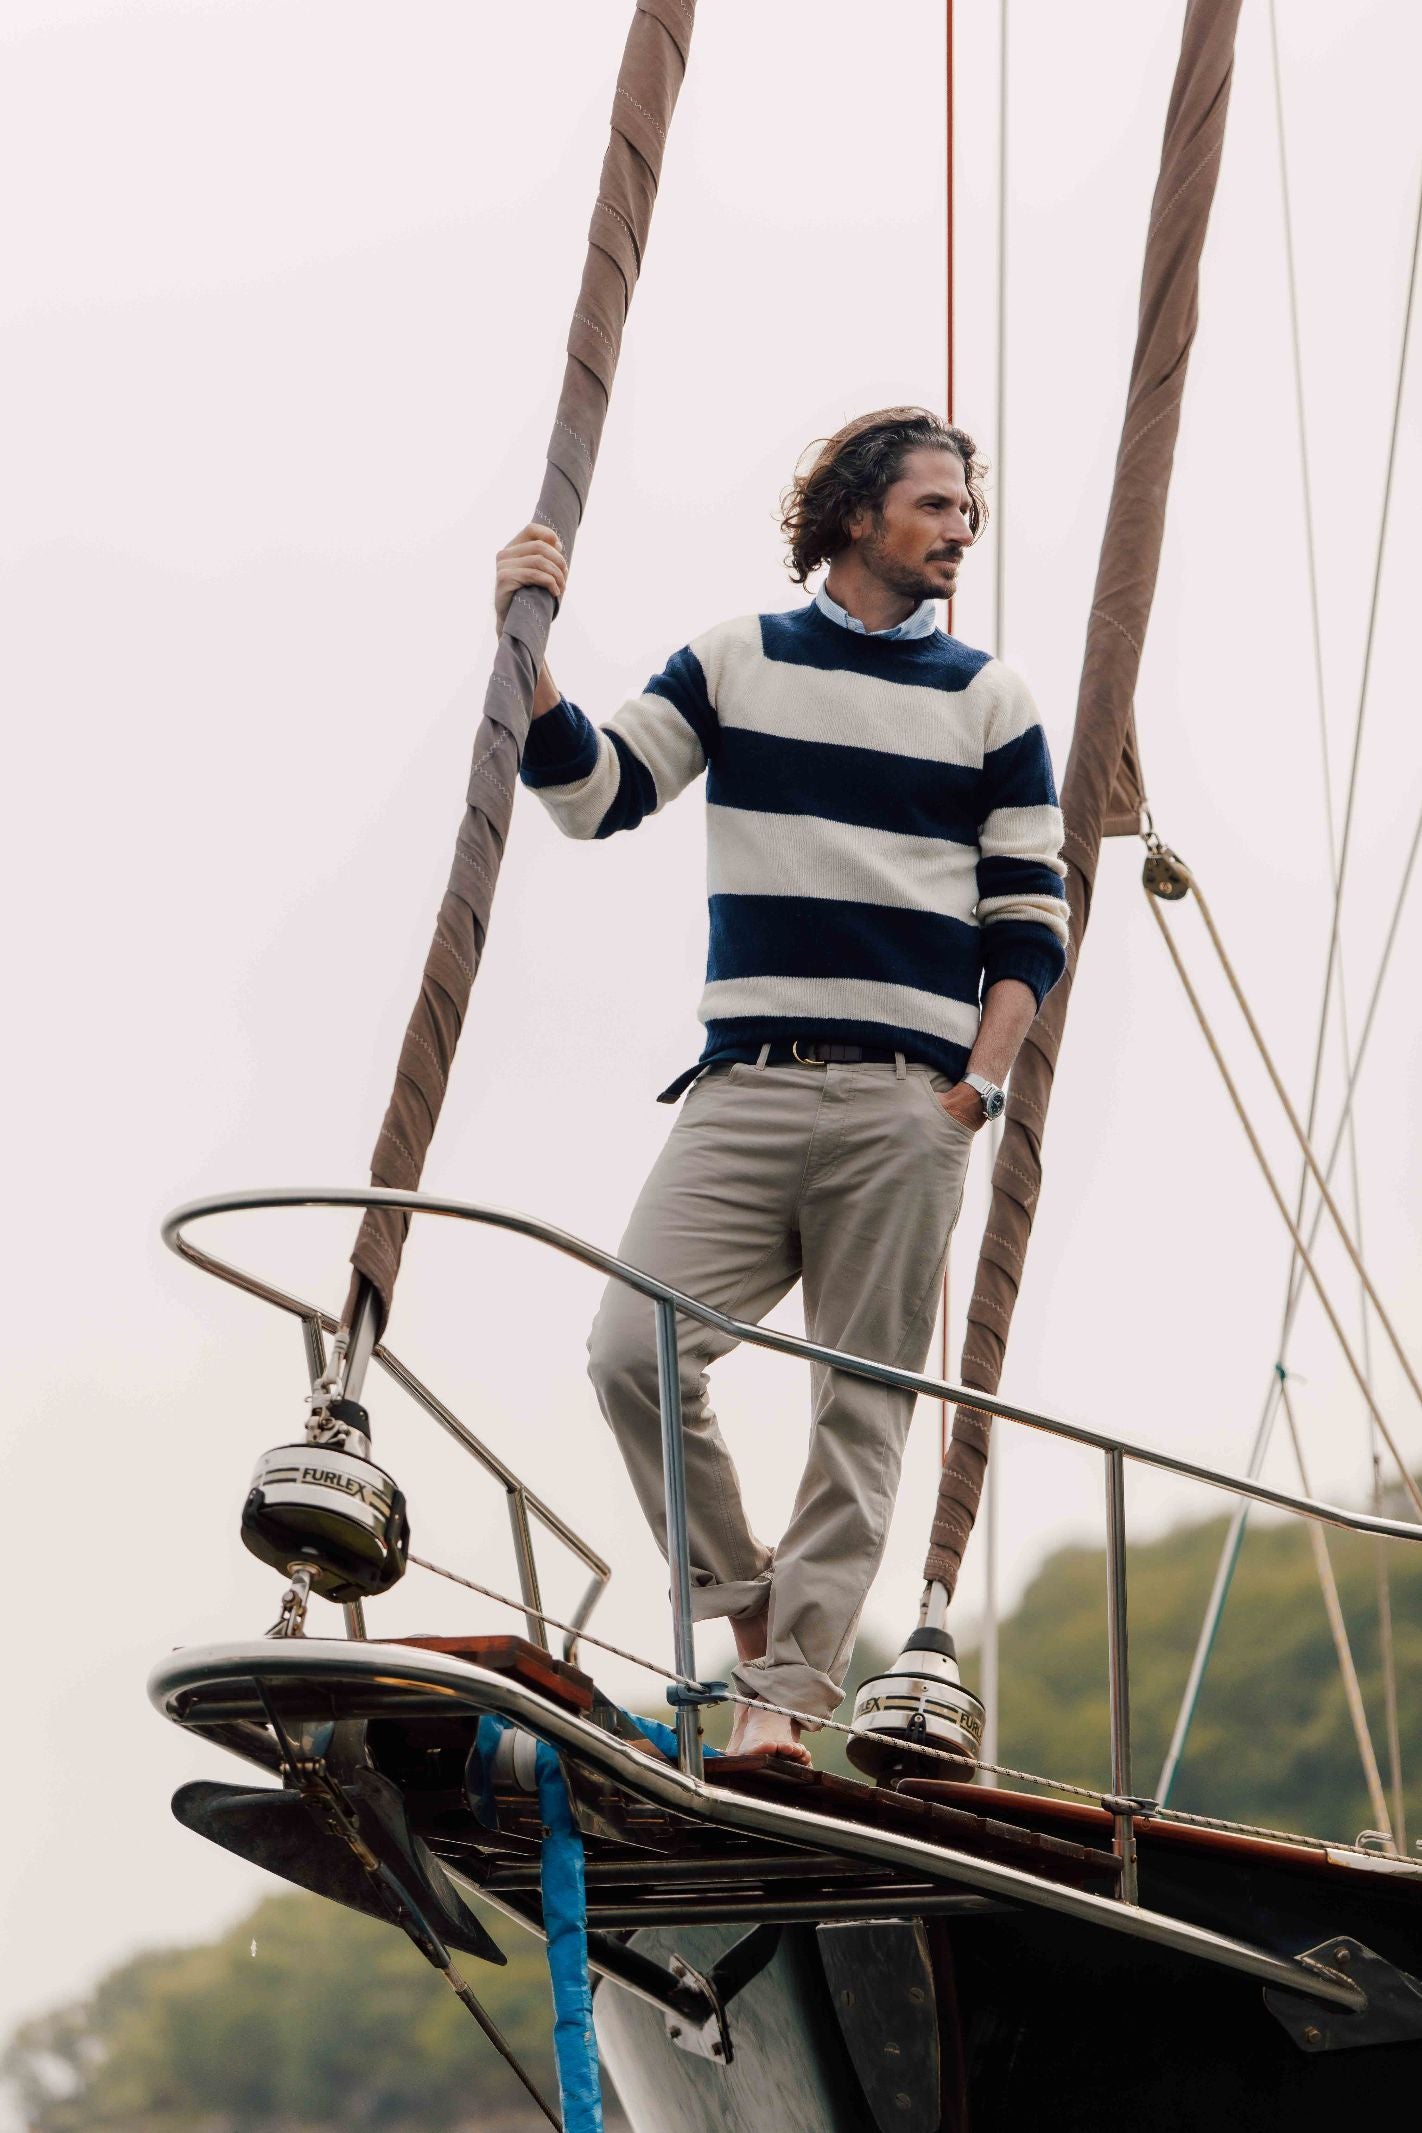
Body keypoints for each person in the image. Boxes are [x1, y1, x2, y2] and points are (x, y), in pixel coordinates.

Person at [497, 407, 1067, 1762]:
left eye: (967, 509)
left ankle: (787, 1700)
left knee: (860, 1409)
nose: (960, 530)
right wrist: (524, 650)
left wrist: (974, 1095)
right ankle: (746, 1602)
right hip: (744, 1085)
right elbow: (594, 794)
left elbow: (1031, 926)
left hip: (910, 1101)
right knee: (632, 1350)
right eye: (934, 505)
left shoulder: (992, 700)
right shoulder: (735, 659)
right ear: (858, 514)